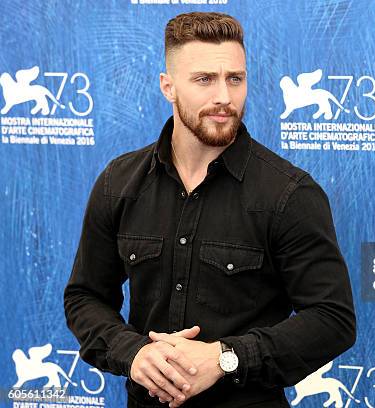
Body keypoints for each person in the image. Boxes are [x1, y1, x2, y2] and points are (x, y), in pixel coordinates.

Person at [63, 11, 356, 408]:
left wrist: (225, 358)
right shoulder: (120, 183)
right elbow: (85, 297)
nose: (224, 97)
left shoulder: (289, 194)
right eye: (204, 79)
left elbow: (332, 320)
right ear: (168, 86)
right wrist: (133, 353)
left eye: (235, 78)